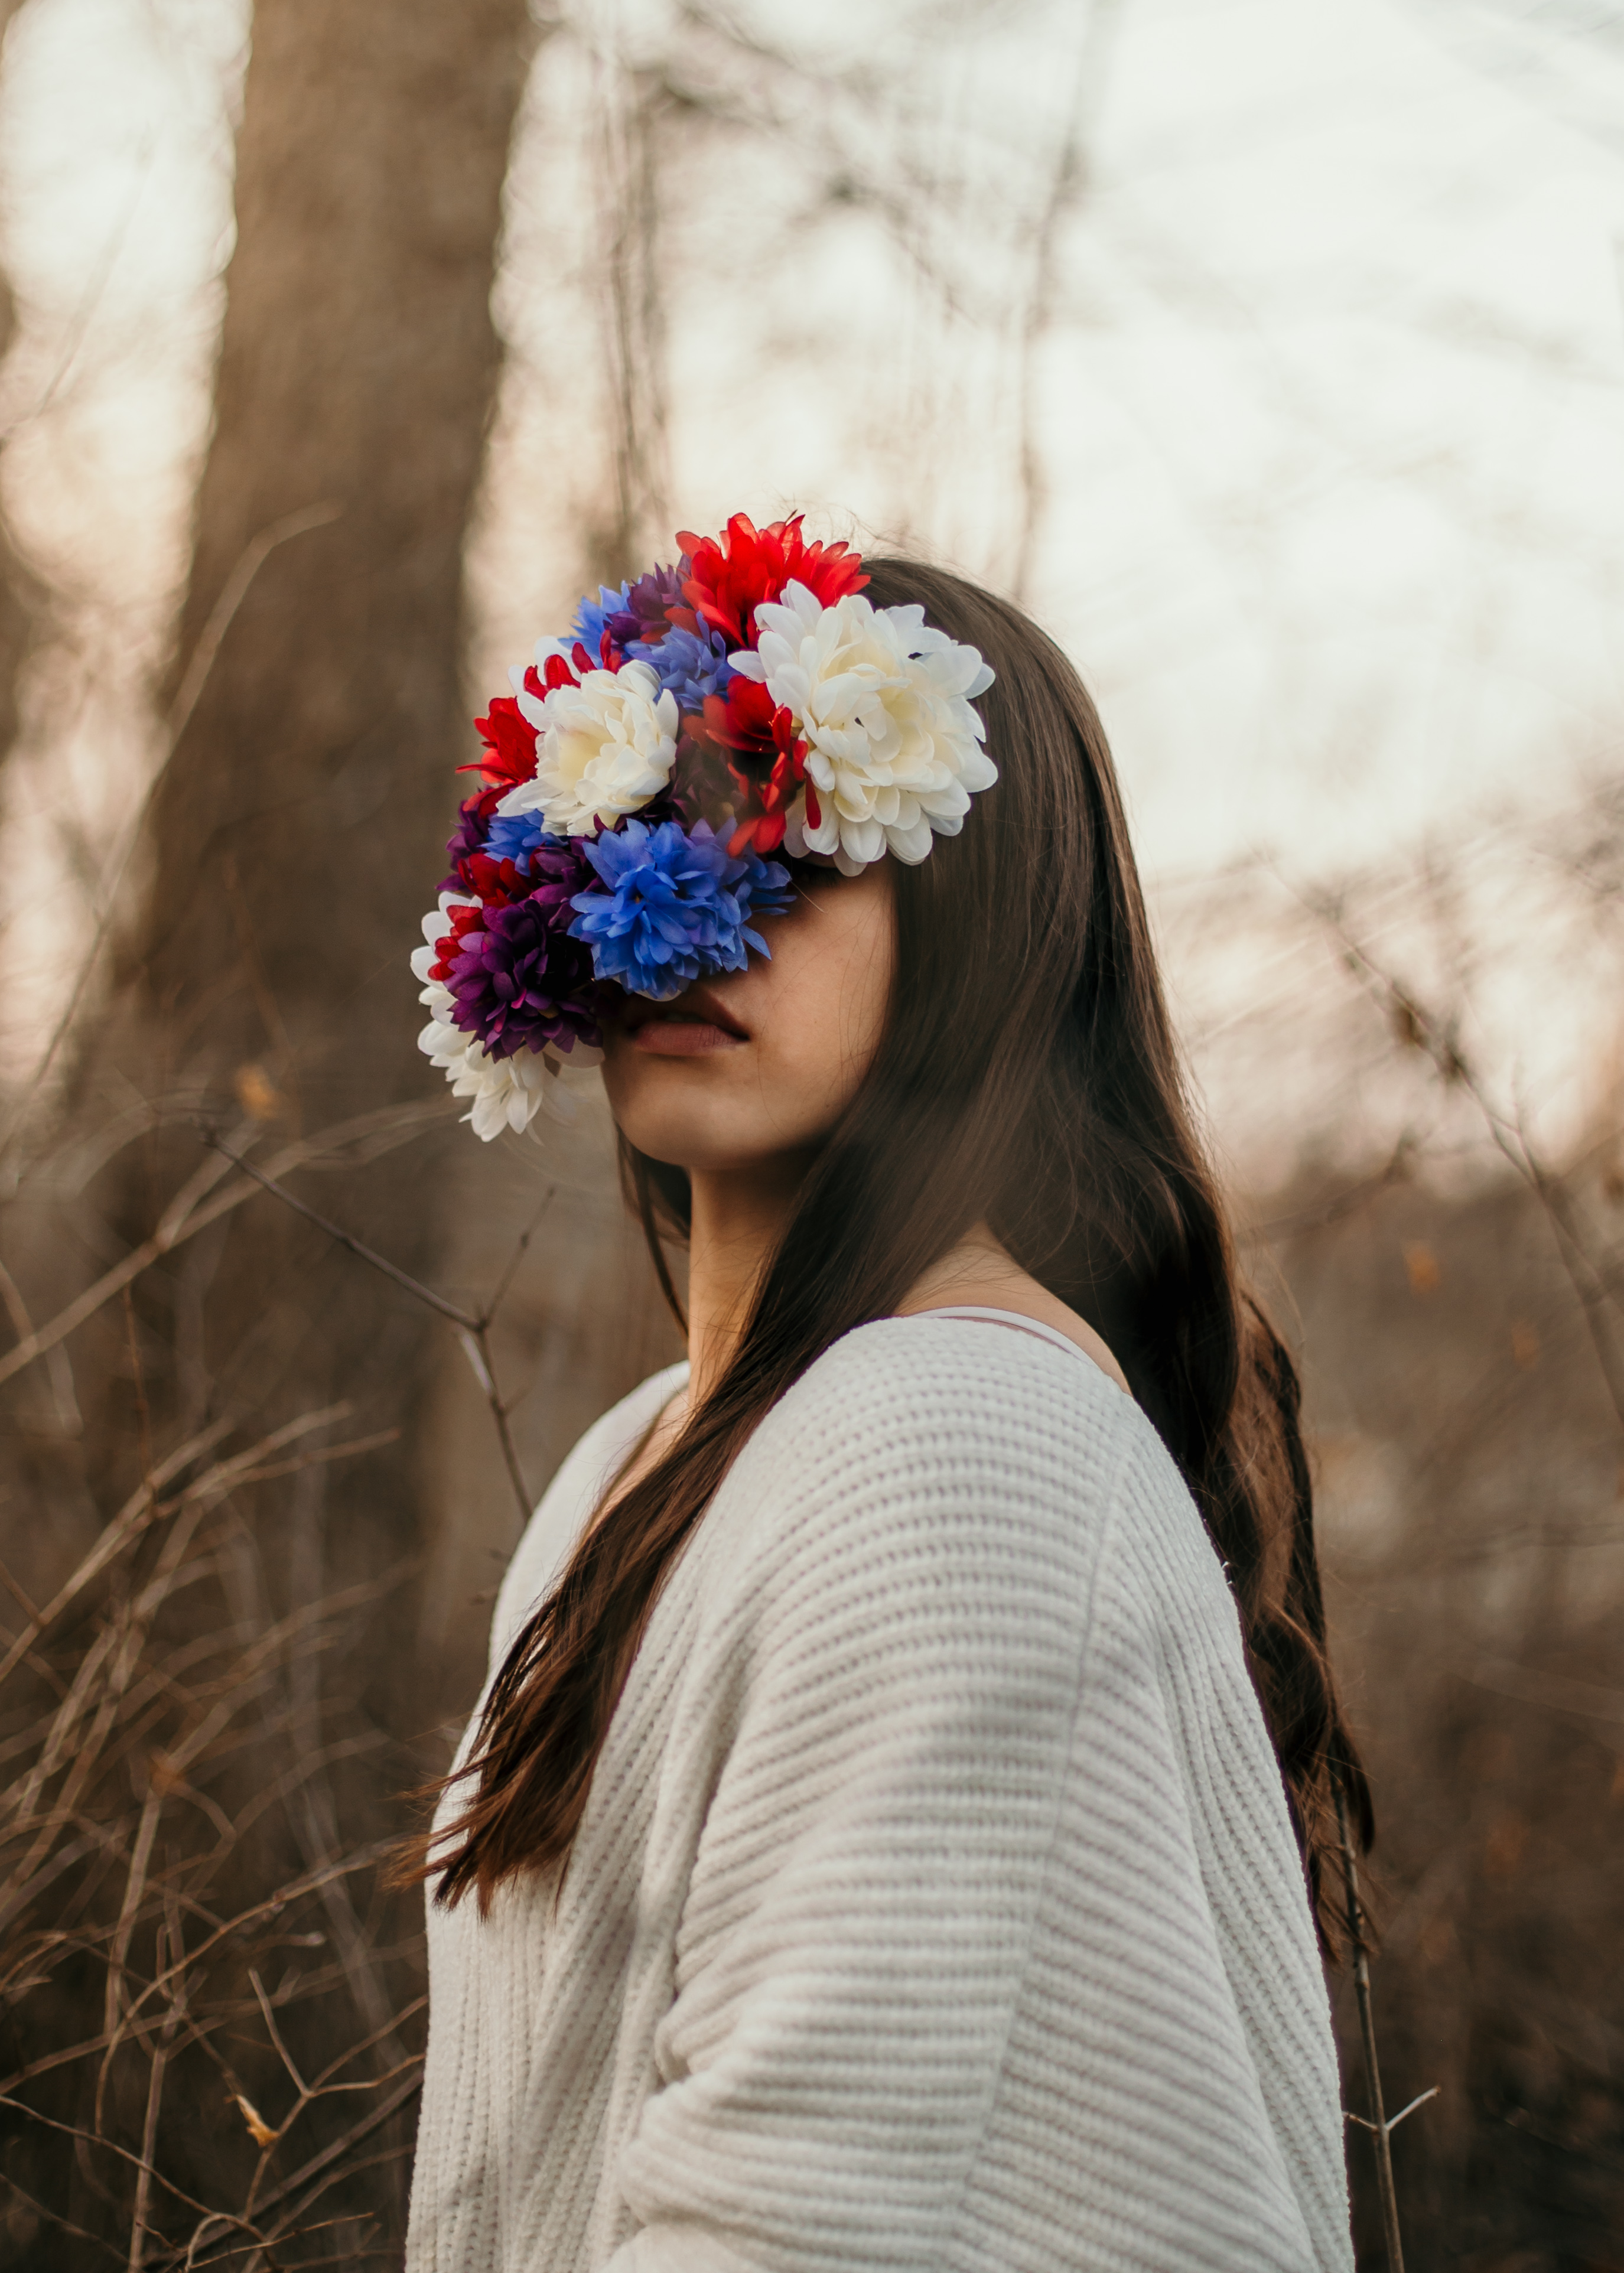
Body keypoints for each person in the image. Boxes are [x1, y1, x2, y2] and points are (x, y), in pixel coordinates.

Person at [403, 517, 1366, 2271]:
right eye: (650, 833)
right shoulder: (631, 1460)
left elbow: (790, 2229)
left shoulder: (957, 1446)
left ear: (981, 924)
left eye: (801, 846)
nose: (692, 917)